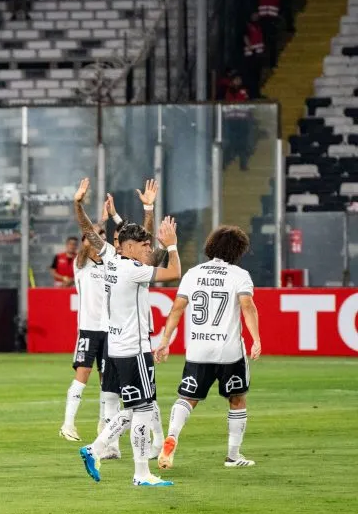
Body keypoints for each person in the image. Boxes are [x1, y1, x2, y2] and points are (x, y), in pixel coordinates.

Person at [73, 178, 182, 487]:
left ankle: (94, 448)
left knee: (134, 409)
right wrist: (171, 243)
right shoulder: (133, 269)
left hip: (116, 348)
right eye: (145, 245)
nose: (149, 248)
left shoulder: (109, 256)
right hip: (134, 349)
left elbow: (87, 231)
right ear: (131, 246)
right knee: (144, 409)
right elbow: (173, 272)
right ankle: (141, 474)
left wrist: (78, 204)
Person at [155, 226, 261, 469]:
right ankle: (233, 456)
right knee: (237, 399)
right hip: (229, 351)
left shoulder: (193, 274)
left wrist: (164, 341)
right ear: (238, 250)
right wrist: (256, 339)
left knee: (187, 398)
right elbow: (248, 307)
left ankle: (172, 436)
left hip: (198, 350)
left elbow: (177, 309)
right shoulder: (239, 275)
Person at [61, 181, 157, 450]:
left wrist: (147, 210)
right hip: (90, 329)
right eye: (97, 237)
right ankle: (69, 424)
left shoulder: (116, 262)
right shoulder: (81, 263)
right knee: (86, 376)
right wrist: (82, 207)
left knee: (111, 388)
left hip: (112, 333)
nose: (101, 240)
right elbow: (89, 234)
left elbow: (139, 242)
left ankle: (109, 438)